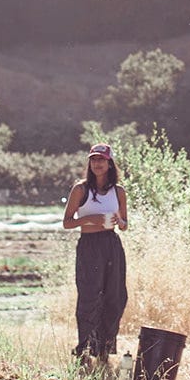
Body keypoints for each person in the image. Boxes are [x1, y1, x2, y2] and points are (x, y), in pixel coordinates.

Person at [62, 141, 128, 365]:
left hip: (111, 244)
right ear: (89, 163)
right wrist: (91, 219)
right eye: (94, 160)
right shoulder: (81, 189)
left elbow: (125, 224)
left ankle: (103, 349)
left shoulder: (118, 191)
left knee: (115, 296)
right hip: (89, 245)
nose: (97, 163)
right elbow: (67, 223)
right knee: (89, 297)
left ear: (110, 163)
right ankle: (83, 349)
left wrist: (119, 221)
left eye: (102, 160)